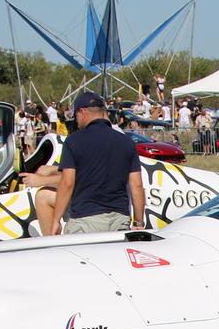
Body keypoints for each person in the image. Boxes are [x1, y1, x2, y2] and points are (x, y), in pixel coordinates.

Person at [22, 89, 144, 236]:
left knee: (42, 196)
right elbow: (137, 185)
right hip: (119, 221)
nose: (76, 121)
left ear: (83, 112)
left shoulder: (74, 141)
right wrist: (138, 222)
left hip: (85, 221)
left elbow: (67, 183)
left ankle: (52, 248)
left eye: (76, 116)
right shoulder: (126, 142)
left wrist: (56, 220)